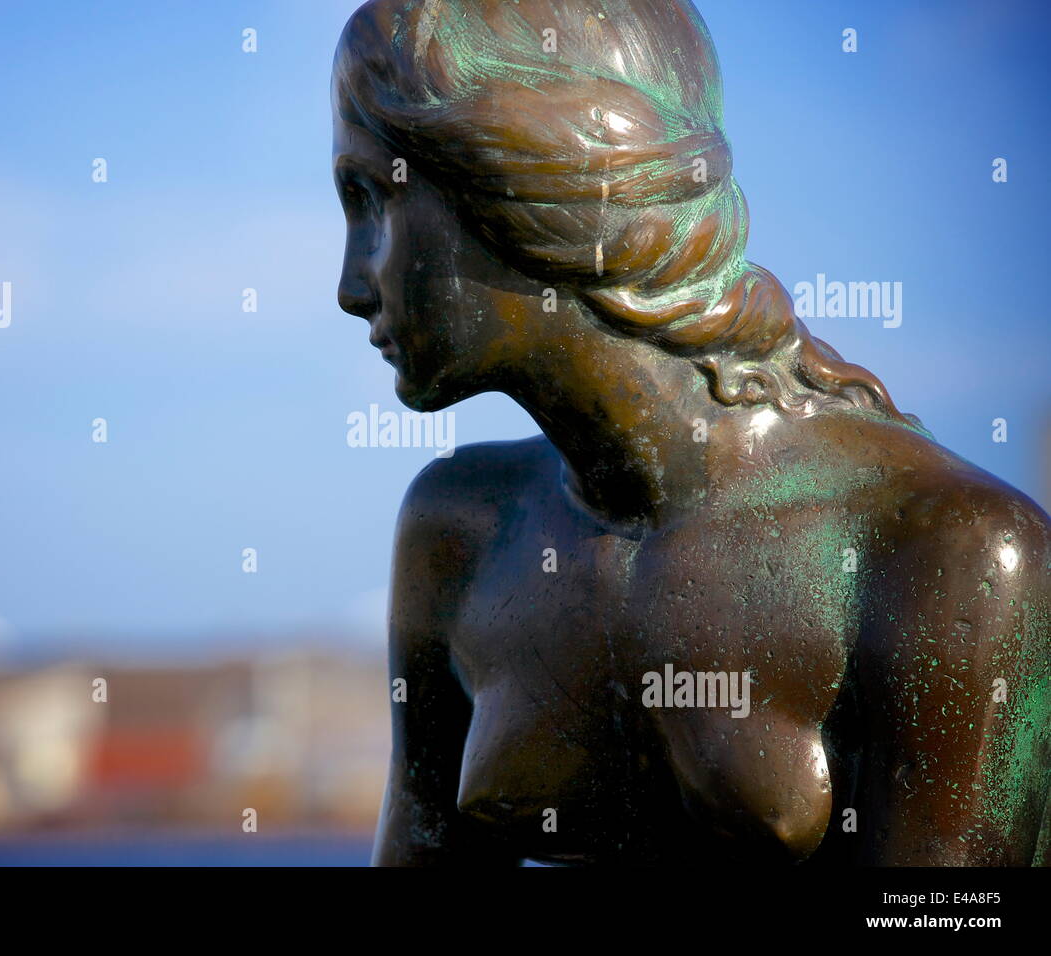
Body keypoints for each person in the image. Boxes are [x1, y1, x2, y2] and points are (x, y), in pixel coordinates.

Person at [332, 0, 1051, 865]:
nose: (351, 285)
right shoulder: (458, 532)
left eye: (371, 197)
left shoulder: (947, 554)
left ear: (525, 183)